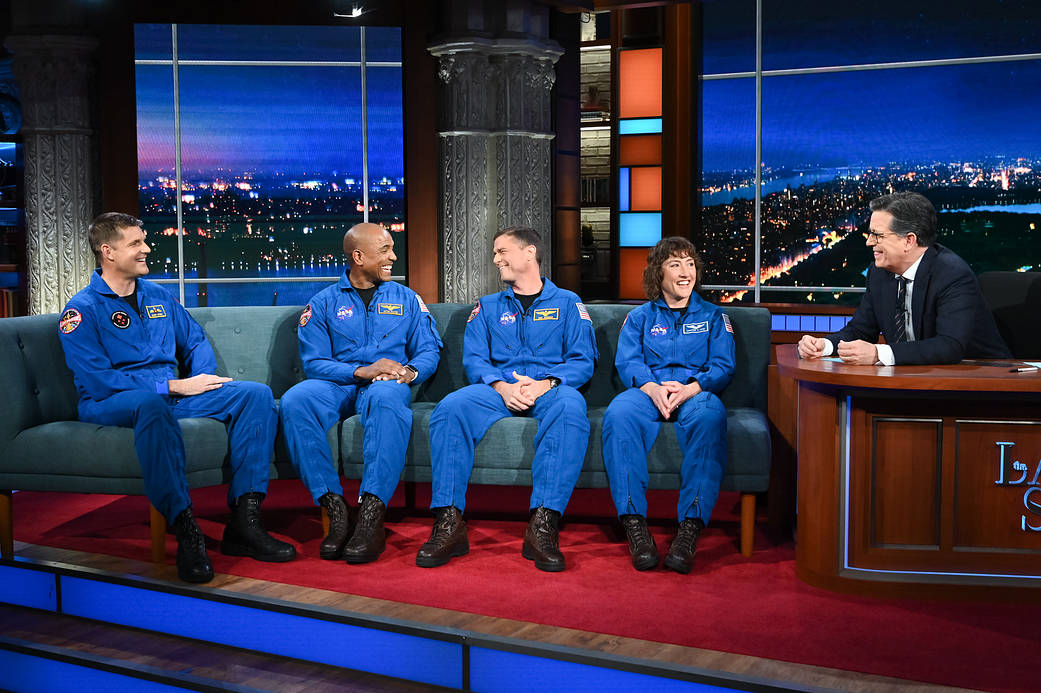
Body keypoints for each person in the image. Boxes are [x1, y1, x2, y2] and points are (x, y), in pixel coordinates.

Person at [58, 213, 295, 584]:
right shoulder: (82, 310)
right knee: (150, 404)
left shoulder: (158, 296)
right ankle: (187, 529)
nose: (147, 248)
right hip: (113, 402)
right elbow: (99, 381)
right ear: (108, 251)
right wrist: (169, 388)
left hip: (171, 397)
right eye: (136, 243)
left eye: (143, 241)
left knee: (254, 395)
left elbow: (195, 340)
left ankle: (245, 521)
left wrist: (200, 379)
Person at [416, 226, 598, 572]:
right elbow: (474, 359)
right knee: (450, 408)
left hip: (549, 388)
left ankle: (543, 525)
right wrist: (501, 386)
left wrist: (545, 384)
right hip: (497, 389)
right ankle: (449, 523)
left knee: (571, 407)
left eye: (502, 252)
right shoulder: (486, 307)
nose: (496, 259)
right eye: (495, 253)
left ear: (529, 253)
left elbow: (582, 360)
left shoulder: (569, 303)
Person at [280, 223, 442, 564]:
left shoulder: (407, 299)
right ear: (358, 257)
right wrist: (359, 371)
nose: (393, 257)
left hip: (386, 385)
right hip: (337, 384)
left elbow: (429, 350)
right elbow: (315, 363)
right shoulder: (322, 303)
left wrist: (409, 373)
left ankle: (371, 515)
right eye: (385, 251)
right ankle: (335, 509)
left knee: (385, 398)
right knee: (297, 399)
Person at [601, 237, 734, 573]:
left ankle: (690, 527)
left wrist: (692, 388)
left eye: (690, 264)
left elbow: (723, 365)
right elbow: (628, 362)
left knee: (710, 416)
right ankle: (634, 524)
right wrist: (650, 387)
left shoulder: (715, 316)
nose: (685, 272)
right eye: (675, 264)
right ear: (658, 274)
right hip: (648, 391)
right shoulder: (639, 318)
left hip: (694, 393)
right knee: (618, 413)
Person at [798, 191, 1010, 365]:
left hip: (980, 380)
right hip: (915, 378)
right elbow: (861, 330)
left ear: (909, 241)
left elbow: (949, 345)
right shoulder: (878, 272)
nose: (869, 242)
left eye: (878, 235)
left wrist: (878, 354)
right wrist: (825, 345)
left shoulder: (952, 274)